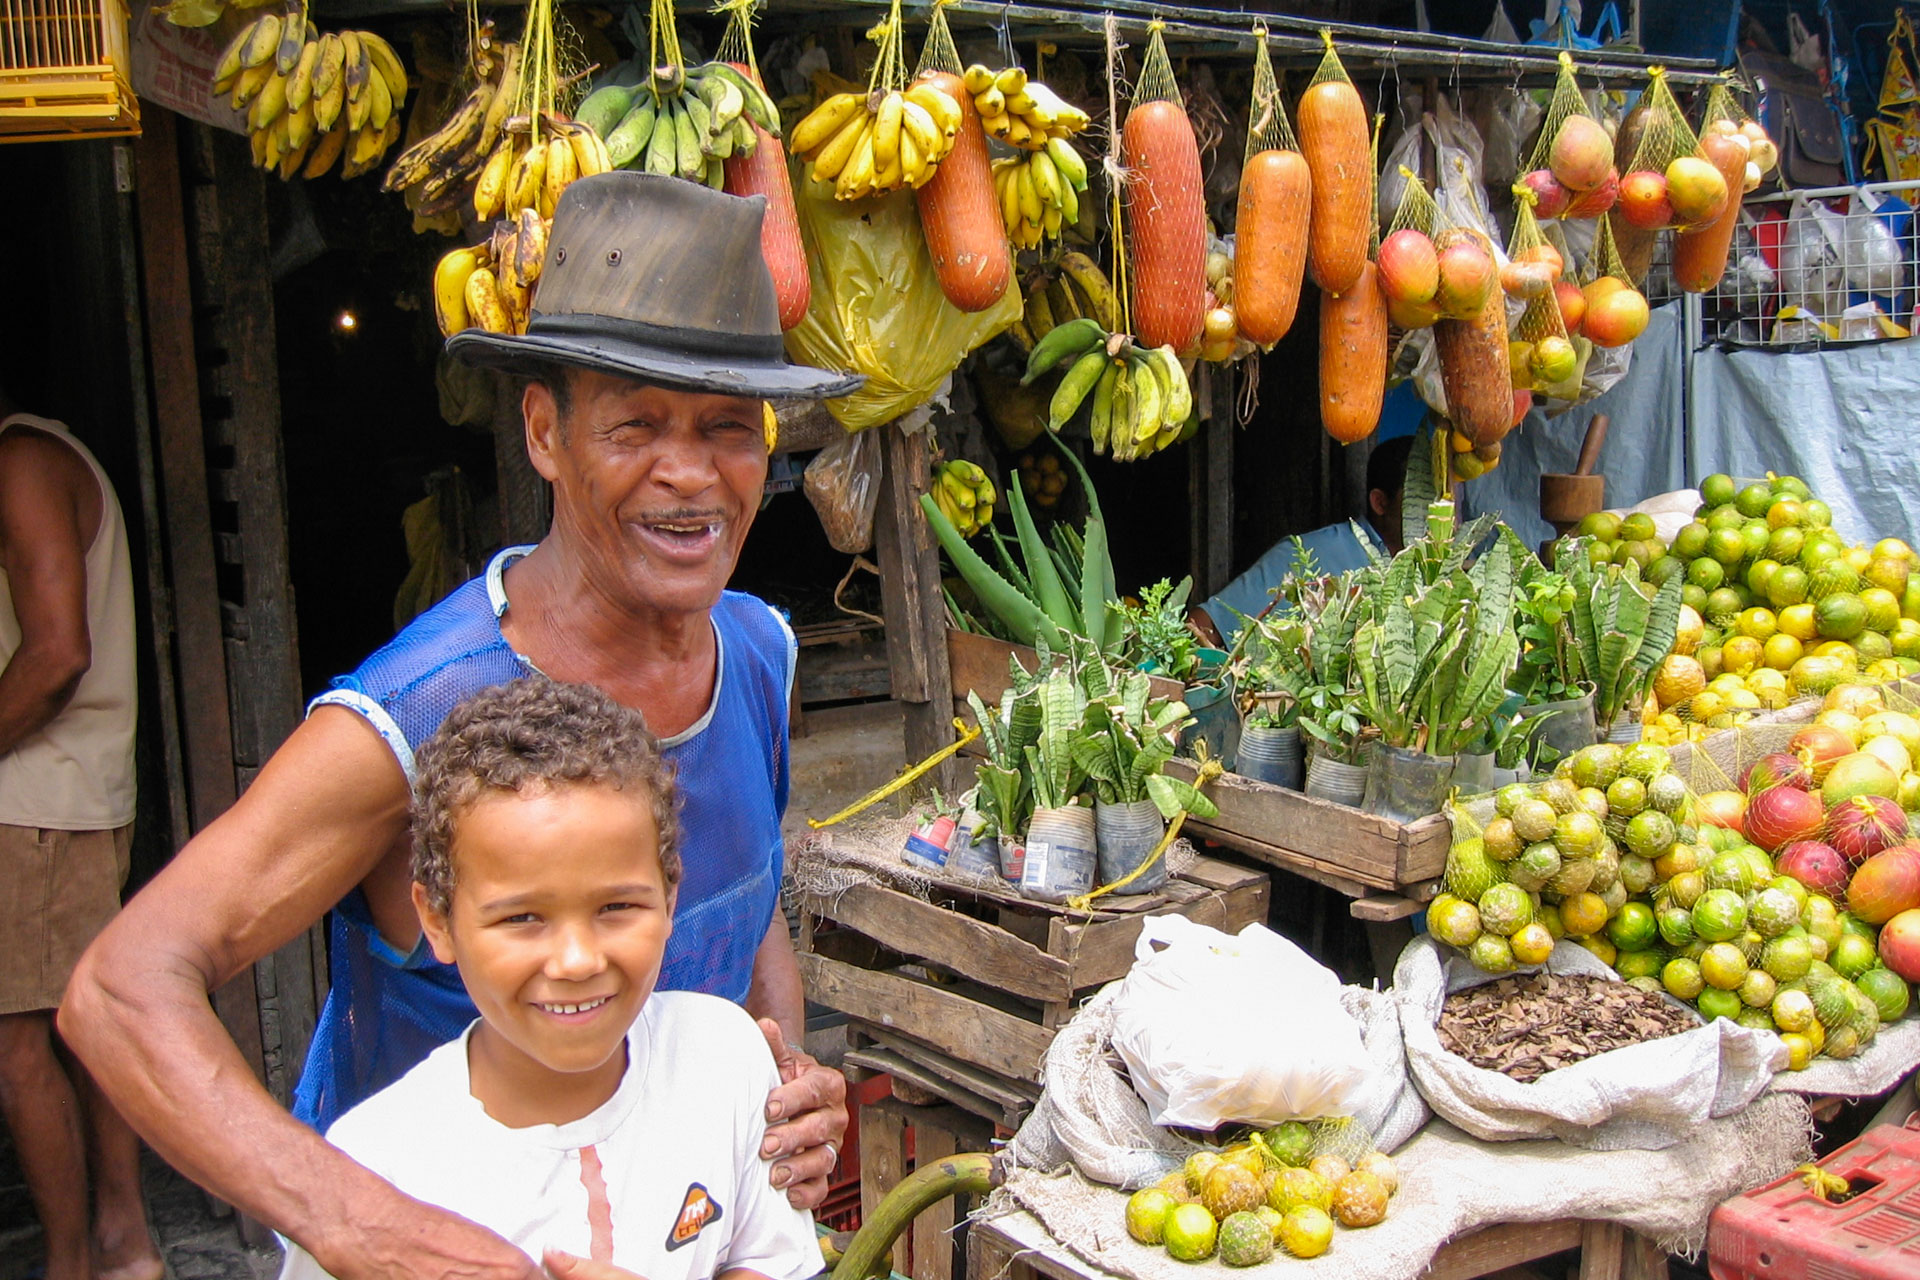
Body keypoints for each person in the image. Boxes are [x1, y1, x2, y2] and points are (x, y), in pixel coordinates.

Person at [62, 173, 862, 1279]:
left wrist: (778, 1103)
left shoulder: (759, 652)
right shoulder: (421, 708)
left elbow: (746, 894)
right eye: (636, 426)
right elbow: (120, 983)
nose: (690, 473)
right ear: (544, 431)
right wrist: (354, 1221)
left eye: (727, 429)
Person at [279, 678, 821, 1280]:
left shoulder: (725, 1059)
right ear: (437, 920)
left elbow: (769, 1259)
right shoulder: (375, 1176)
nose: (577, 960)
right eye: (522, 918)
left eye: (616, 908)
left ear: (670, 895)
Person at [0, 385, 161, 1280]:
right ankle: (121, 1241)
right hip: (50, 799)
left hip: (33, 800)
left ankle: (79, 1259)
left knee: (19, 1043)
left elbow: (56, 653)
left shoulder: (20, 464)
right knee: (80, 1021)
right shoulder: (36, 456)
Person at [1192, 433, 1415, 647]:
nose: (1439, 507)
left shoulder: (1438, 573)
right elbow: (1201, 626)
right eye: (1420, 498)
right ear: (1380, 503)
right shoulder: (1316, 553)